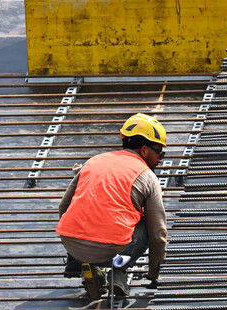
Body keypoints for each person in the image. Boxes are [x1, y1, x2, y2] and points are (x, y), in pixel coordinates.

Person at [57, 113, 168, 299]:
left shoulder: (93, 162)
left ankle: (80, 263)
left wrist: (74, 248)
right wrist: (154, 274)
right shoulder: (147, 177)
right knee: (148, 226)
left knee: (86, 206)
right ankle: (119, 269)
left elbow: (64, 207)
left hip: (71, 243)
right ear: (144, 150)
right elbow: (158, 235)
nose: (161, 159)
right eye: (159, 152)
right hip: (112, 250)